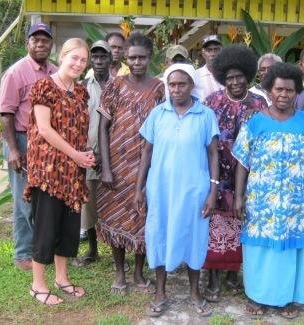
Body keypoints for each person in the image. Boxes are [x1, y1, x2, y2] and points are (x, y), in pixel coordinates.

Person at [233, 63, 304, 318]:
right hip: (262, 202)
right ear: (269, 90)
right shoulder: (256, 123)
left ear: (297, 92)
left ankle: (291, 298)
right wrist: (239, 196)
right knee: (261, 248)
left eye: (289, 90)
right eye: (278, 90)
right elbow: (243, 163)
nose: (284, 95)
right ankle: (258, 296)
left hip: (298, 203)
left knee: (293, 248)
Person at [134, 63, 219, 317]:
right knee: (159, 234)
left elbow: (213, 153)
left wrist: (213, 191)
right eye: (172, 84)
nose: (177, 89)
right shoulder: (158, 114)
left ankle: (195, 292)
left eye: (182, 84)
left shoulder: (205, 115)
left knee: (194, 236)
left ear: (192, 86)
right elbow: (146, 153)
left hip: (195, 189)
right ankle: (160, 291)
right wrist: (139, 188)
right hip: (160, 189)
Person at [24, 38, 94, 305]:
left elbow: (78, 129)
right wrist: (75, 154)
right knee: (46, 226)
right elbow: (44, 129)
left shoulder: (80, 92)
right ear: (62, 56)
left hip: (72, 172)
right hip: (49, 170)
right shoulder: (44, 86)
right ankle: (37, 284)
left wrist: (83, 155)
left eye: (82, 60)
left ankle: (62, 278)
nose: (78, 63)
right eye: (73, 57)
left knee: (68, 226)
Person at [97, 32, 164, 295]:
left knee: (142, 217)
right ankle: (119, 272)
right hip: (116, 163)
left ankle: (137, 272)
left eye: (142, 58)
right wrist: (105, 166)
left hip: (147, 164)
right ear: (125, 57)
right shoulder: (115, 85)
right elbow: (103, 127)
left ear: (150, 58)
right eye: (132, 57)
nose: (137, 62)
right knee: (116, 217)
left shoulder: (159, 87)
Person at [202, 45, 267, 303]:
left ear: (248, 75)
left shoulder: (259, 103)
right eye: (229, 77)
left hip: (248, 177)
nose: (235, 81)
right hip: (218, 174)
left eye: (240, 76)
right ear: (222, 79)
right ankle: (214, 278)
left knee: (240, 224)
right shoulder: (212, 102)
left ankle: (233, 275)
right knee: (216, 227)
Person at [0, 22, 57, 271]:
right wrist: (13, 150)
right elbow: (6, 114)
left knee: (36, 199)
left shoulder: (54, 72)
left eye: (45, 40)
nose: (41, 44)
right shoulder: (16, 72)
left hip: (45, 142)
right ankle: (32, 253)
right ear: (28, 44)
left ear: (51, 44)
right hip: (21, 140)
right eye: (36, 40)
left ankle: (30, 251)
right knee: (26, 201)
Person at [73, 40, 112, 267]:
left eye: (103, 57)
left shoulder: (118, 86)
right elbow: (78, 123)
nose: (98, 61)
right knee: (88, 205)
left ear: (110, 59)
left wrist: (104, 157)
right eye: (95, 57)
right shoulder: (83, 86)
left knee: (113, 203)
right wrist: (88, 154)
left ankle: (118, 249)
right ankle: (93, 249)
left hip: (112, 157)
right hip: (87, 155)